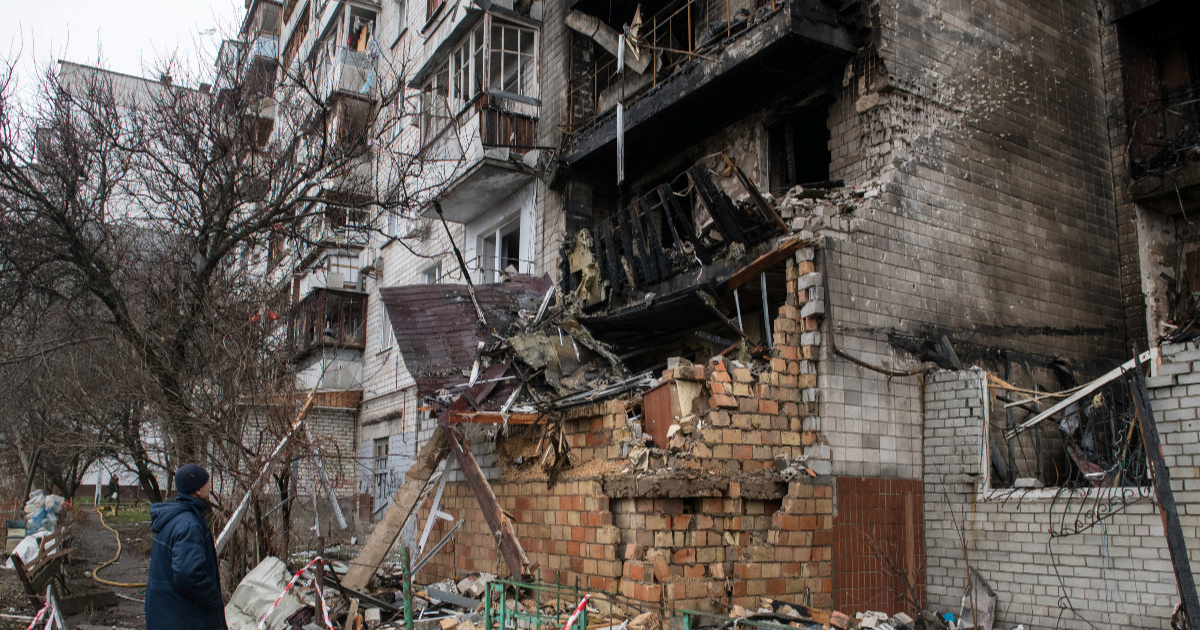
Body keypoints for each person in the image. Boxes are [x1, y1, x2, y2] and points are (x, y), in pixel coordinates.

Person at [145, 464, 227, 630]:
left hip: (165, 612)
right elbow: (188, 575)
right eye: (206, 482)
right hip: (182, 617)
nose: (209, 486)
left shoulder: (172, 518)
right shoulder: (189, 525)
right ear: (197, 490)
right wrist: (213, 599)